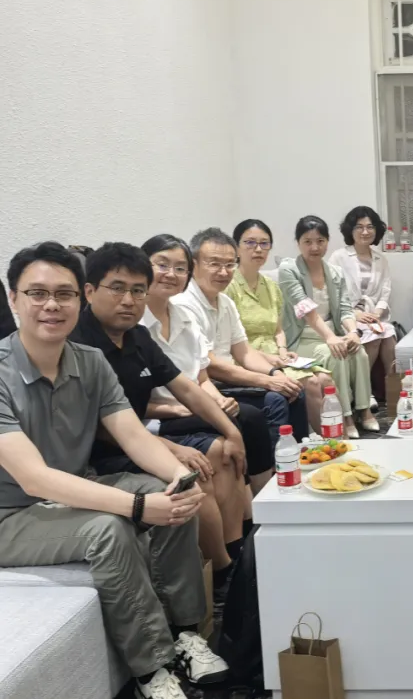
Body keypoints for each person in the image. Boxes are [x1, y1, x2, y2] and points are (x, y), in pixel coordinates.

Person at [0, 242, 229, 697]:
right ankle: (151, 668)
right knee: (109, 528)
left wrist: (178, 479)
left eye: (64, 294)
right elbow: (34, 478)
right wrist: (138, 506)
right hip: (12, 516)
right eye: (37, 293)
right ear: (13, 300)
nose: (52, 305)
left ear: (80, 298)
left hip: (73, 491)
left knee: (169, 491)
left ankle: (186, 632)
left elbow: (134, 436)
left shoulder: (90, 361)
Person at [70, 242, 257, 595]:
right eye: (118, 288)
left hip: (139, 439)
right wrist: (172, 449)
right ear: (90, 291)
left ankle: (235, 552)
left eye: (138, 290)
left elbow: (185, 387)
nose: (129, 300)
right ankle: (224, 575)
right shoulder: (78, 344)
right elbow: (100, 428)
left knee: (223, 451)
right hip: (100, 454)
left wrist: (232, 431)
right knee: (193, 475)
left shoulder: (137, 336)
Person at [141, 234, 273, 495]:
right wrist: (183, 408)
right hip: (158, 417)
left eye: (180, 268)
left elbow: (201, 379)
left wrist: (218, 400)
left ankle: (262, 497)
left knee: (247, 415)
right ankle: (254, 500)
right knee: (243, 422)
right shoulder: (135, 327)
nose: (171, 274)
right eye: (162, 265)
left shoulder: (183, 317)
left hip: (193, 403)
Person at [174, 228, 308, 442]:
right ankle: (278, 461)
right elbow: (211, 365)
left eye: (229, 264)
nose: (224, 272)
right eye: (214, 264)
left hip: (229, 380)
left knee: (294, 390)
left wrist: (275, 373)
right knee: (274, 399)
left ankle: (303, 454)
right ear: (194, 264)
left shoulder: (225, 302)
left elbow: (244, 352)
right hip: (205, 385)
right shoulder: (184, 305)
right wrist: (267, 382)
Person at [229, 219, 334, 429]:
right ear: (236, 247)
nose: (258, 249)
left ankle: (341, 438)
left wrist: (283, 350)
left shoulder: (271, 285)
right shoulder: (229, 286)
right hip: (247, 359)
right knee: (313, 383)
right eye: (250, 243)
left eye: (264, 243)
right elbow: (234, 344)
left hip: (277, 356)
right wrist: (273, 358)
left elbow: (278, 329)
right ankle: (325, 442)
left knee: (326, 379)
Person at [279, 216, 378, 436]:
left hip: (331, 333)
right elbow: (306, 309)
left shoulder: (334, 272)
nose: (314, 247)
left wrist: (352, 332)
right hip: (302, 337)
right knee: (336, 355)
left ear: (327, 242)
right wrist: (330, 338)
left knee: (359, 352)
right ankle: (345, 416)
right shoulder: (289, 270)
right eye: (307, 241)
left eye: (320, 241)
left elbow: (344, 308)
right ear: (298, 243)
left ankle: (364, 411)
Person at [328, 206, 396, 399]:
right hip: (347, 316)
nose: (365, 232)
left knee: (389, 335)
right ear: (350, 230)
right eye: (359, 227)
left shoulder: (381, 259)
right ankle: (363, 392)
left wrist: (377, 313)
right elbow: (333, 293)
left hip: (373, 315)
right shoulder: (339, 257)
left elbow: (385, 290)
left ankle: (392, 391)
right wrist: (356, 314)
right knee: (373, 337)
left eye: (370, 227)